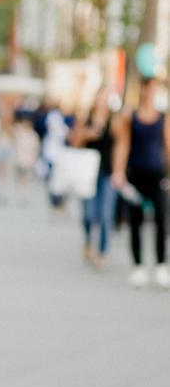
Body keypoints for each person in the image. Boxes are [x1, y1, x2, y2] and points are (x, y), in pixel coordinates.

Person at [111, 76, 170, 288]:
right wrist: (118, 171)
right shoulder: (131, 117)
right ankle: (138, 266)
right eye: (147, 88)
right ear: (142, 90)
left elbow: (168, 145)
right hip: (136, 173)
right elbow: (123, 145)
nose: (150, 92)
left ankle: (162, 265)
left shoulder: (163, 117)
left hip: (157, 173)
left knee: (161, 220)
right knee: (135, 220)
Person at [72, 88, 117, 271]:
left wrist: (119, 171)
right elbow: (74, 142)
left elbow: (121, 145)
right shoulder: (85, 119)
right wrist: (87, 134)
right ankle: (88, 241)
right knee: (89, 214)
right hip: (88, 173)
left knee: (106, 215)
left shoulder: (115, 120)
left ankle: (102, 253)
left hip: (108, 171)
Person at [12, 112, 40, 205]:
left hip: (28, 159)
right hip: (20, 158)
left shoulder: (33, 135)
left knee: (26, 177)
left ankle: (24, 195)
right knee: (20, 177)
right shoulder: (19, 132)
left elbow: (36, 147)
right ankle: (21, 193)